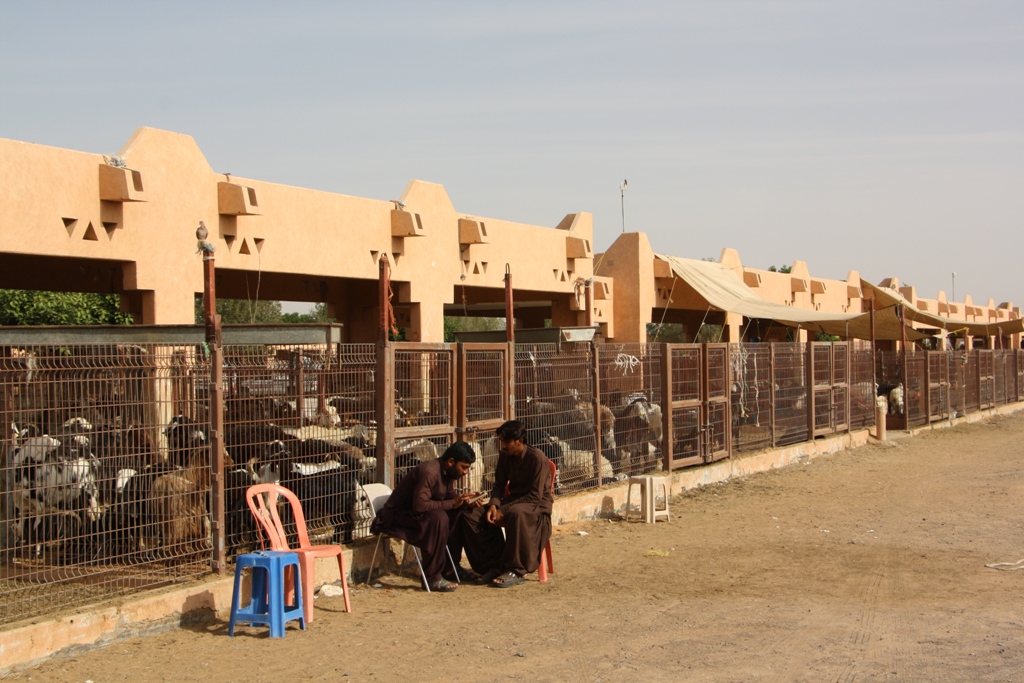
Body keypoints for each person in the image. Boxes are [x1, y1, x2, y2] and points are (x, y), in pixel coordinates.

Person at [370, 441, 481, 592]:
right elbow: (420, 506)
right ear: (451, 462)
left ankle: (449, 568)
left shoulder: (447, 473)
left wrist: (464, 501)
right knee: (439, 518)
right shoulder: (429, 472)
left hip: (417, 515)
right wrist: (452, 503)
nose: (465, 472)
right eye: (464, 467)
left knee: (459, 513)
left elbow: (448, 497)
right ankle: (432, 577)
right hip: (397, 518)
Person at [455, 419, 553, 588]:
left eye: (506, 442)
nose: (503, 446)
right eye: (501, 441)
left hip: (536, 505)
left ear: (519, 441)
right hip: (512, 501)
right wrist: (494, 505)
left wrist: (503, 510)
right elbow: (499, 485)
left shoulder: (537, 459)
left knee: (516, 514)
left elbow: (535, 496)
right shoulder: (505, 456)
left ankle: (515, 569)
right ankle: (492, 565)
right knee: (470, 516)